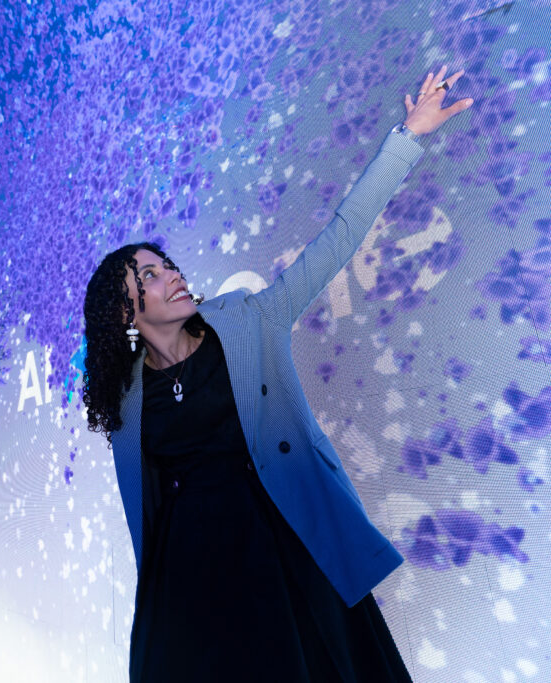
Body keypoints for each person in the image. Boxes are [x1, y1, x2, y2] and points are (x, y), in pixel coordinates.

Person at [82, 67, 473, 681]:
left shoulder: (250, 321)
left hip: (283, 543)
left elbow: (338, 239)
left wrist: (407, 137)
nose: (171, 275)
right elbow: (148, 513)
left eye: (167, 265)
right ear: (126, 312)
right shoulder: (126, 402)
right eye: (149, 276)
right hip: (191, 585)